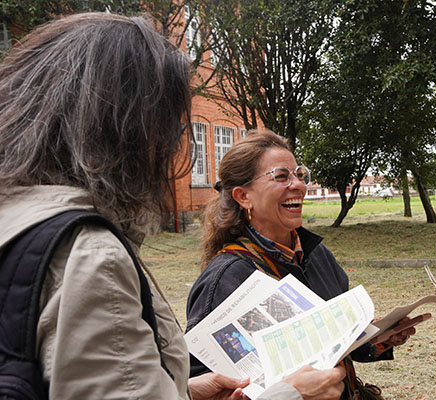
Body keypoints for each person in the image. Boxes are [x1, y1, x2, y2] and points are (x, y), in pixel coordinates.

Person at [0, 12, 344, 400]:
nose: (174, 147)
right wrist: (287, 394)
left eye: (298, 173)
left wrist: (182, 391)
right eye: (171, 125)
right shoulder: (93, 256)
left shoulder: (20, 223)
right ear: (126, 130)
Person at [186, 129, 428, 399]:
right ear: (244, 197)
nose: (299, 185)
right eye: (281, 176)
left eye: (299, 174)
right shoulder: (224, 279)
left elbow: (337, 342)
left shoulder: (317, 253)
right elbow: (200, 383)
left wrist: (375, 339)